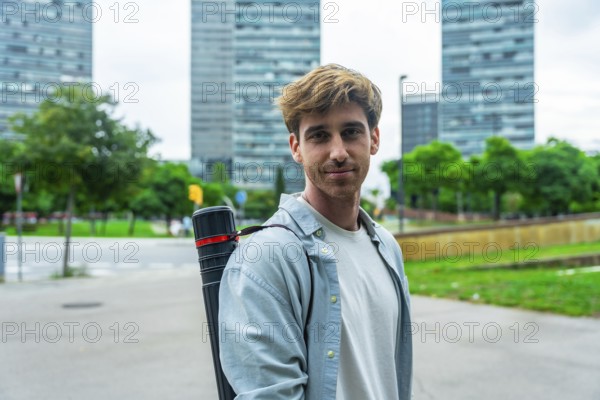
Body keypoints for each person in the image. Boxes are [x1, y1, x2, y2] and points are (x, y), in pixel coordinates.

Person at [218, 64, 413, 399]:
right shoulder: (268, 257)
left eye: (351, 132)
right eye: (319, 136)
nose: (338, 152)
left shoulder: (385, 245)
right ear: (296, 148)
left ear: (374, 139)